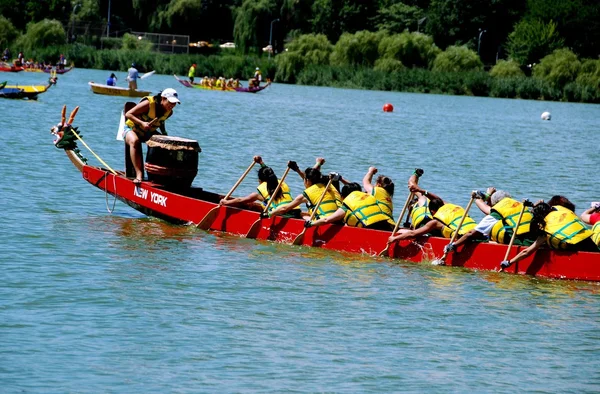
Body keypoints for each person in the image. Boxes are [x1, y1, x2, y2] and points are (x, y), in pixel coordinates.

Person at [500, 201, 598, 269]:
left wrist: (509, 262)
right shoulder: (561, 211)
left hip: (577, 250)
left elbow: (527, 252)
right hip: (589, 241)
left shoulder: (546, 229)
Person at [445, 188, 535, 254]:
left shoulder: (498, 211)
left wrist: (454, 245)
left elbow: (471, 233)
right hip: (534, 240)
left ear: (495, 203)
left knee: (479, 237)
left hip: (522, 243)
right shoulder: (520, 206)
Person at [123, 88, 181, 183]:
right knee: (135, 141)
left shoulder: (169, 112)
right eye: (170, 102)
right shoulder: (149, 104)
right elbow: (128, 114)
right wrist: (142, 123)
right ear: (163, 98)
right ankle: (139, 175)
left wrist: (164, 134)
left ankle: (157, 176)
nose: (172, 105)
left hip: (147, 132)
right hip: (131, 129)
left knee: (164, 144)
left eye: (174, 103)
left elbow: (161, 121)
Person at [220, 156, 302, 218]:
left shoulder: (262, 189)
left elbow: (241, 200)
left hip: (283, 214)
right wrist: (261, 163)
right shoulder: (280, 182)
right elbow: (269, 172)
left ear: (260, 180)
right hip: (296, 211)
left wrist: (226, 202)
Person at [387, 193, 477, 244]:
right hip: (478, 231)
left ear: (433, 212)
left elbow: (413, 233)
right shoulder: (453, 208)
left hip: (463, 237)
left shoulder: (435, 222)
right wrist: (419, 190)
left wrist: (394, 239)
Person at [307, 181, 395, 231]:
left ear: (343, 196)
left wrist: (311, 223)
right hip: (386, 226)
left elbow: (327, 220)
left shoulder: (346, 206)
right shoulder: (368, 197)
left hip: (371, 229)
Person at [269, 161, 342, 220]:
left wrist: (268, 214)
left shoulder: (306, 195)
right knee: (304, 213)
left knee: (302, 215)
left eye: (304, 179)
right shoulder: (327, 185)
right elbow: (312, 175)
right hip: (338, 218)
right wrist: (297, 169)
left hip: (324, 220)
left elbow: (284, 209)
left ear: (308, 181)